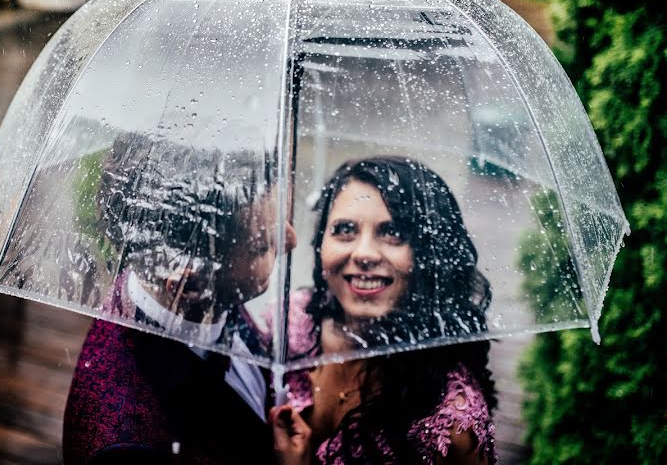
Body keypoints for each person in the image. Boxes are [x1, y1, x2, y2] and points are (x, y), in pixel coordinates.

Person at [63, 134, 297, 463]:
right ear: (186, 279)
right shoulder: (129, 443)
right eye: (262, 244)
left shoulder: (198, 289)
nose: (291, 239)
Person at [269, 157, 497, 465]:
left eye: (393, 233)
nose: (363, 253)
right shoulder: (288, 322)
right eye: (344, 229)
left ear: (430, 255)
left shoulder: (451, 421)